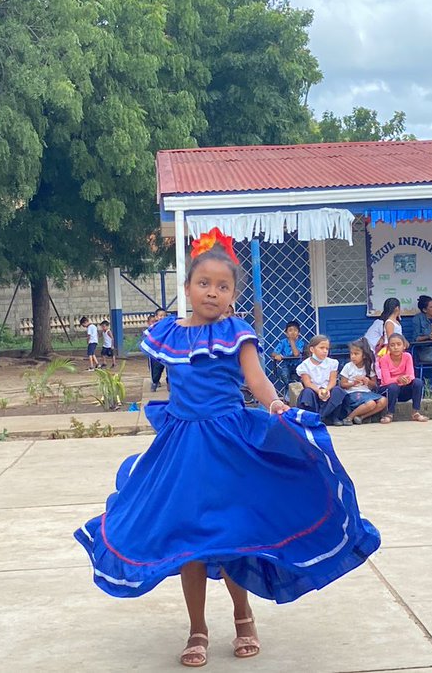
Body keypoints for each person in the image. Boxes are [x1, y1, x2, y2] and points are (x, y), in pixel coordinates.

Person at [74, 228, 380, 667]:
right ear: (187, 288)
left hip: (230, 445)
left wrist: (275, 403)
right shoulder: (168, 335)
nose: (212, 293)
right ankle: (197, 628)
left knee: (234, 534)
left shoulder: (237, 333)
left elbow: (255, 379)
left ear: (233, 293)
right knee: (187, 541)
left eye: (222, 286)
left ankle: (243, 617)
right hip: (181, 452)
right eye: (204, 284)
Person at [295, 335, 349, 425]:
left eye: (327, 349)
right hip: (314, 392)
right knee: (307, 392)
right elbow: (307, 383)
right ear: (312, 349)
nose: (325, 351)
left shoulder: (332, 363)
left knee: (337, 391)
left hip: (328, 391)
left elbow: (333, 381)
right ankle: (313, 416)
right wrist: (318, 391)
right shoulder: (304, 365)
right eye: (321, 348)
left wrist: (327, 390)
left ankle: (331, 417)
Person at [376, 333, 429, 423]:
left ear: (404, 346)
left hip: (403, 388)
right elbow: (386, 380)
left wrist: (406, 379)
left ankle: (415, 412)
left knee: (418, 382)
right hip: (388, 391)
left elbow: (411, 375)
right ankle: (389, 414)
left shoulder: (407, 356)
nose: (396, 347)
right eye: (392, 345)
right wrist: (398, 379)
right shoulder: (384, 359)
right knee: (393, 386)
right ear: (388, 348)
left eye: (398, 344)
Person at [338, 339, 388, 424]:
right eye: (351, 354)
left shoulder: (368, 366)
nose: (353, 356)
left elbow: (374, 385)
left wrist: (367, 381)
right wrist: (353, 383)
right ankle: (349, 418)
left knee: (384, 400)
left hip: (367, 393)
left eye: (356, 354)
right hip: (353, 393)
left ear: (364, 355)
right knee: (371, 404)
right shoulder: (348, 366)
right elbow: (342, 384)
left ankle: (361, 417)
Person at [269, 320, 307, 393]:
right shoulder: (283, 342)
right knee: (284, 374)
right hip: (286, 365)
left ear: (299, 333)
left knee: (301, 377)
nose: (293, 332)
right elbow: (273, 353)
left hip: (298, 365)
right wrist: (277, 355)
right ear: (286, 333)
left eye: (295, 330)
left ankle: (298, 391)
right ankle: (289, 389)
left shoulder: (300, 343)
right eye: (290, 330)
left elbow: (296, 354)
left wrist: (292, 341)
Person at [145, 309, 169, 392]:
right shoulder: (154, 327)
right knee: (156, 368)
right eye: (160, 315)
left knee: (170, 367)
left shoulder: (169, 326)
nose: (162, 317)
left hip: (167, 351)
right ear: (156, 317)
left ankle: (169, 382)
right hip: (157, 352)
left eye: (164, 315)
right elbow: (148, 336)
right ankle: (155, 382)